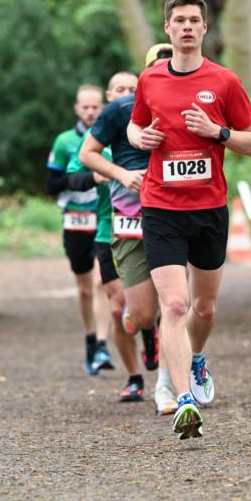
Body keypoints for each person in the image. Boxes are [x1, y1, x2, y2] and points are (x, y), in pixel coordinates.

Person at [127, 0, 251, 439]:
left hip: (209, 208)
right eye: (178, 20)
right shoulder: (149, 79)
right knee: (175, 303)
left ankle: (196, 360)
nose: (186, 26)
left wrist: (216, 132)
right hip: (161, 205)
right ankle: (183, 398)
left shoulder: (224, 81)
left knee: (204, 306)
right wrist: (139, 137)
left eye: (194, 20)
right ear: (167, 28)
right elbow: (134, 123)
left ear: (204, 29)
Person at [79, 56, 179, 416]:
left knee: (175, 305)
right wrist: (120, 175)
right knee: (135, 312)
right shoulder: (117, 114)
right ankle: (142, 343)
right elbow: (83, 158)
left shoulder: (186, 104)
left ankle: (168, 385)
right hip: (121, 226)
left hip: (170, 221)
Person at [66, 73, 145, 399]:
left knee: (154, 307)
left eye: (133, 90)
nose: (127, 94)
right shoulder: (96, 143)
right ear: (109, 96)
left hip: (154, 227)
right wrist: (96, 176)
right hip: (107, 230)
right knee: (117, 307)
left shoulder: (147, 133)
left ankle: (152, 333)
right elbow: (71, 176)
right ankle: (134, 378)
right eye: (121, 90)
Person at [46, 85, 112, 375]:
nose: (90, 111)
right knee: (85, 289)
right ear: (76, 108)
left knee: (101, 283)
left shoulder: (111, 136)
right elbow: (51, 185)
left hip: (103, 218)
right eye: (85, 107)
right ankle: (89, 339)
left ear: (103, 107)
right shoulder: (63, 142)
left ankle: (101, 344)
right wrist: (87, 178)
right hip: (75, 220)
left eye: (95, 106)